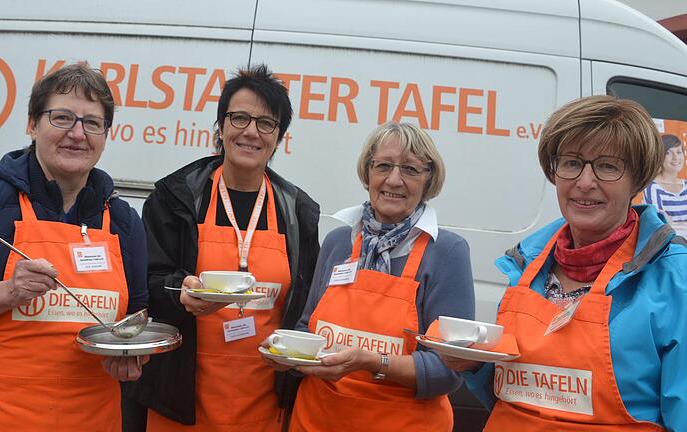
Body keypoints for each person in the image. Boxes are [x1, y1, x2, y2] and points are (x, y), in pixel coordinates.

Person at [0, 63, 148, 431]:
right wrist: (8, 292)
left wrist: (130, 357)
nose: (77, 134)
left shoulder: (123, 220)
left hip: (89, 420)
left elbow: (136, 315)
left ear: (106, 135)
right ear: (32, 124)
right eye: (61, 118)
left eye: (92, 123)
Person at [446, 95, 687, 431]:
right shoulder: (527, 265)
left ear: (638, 180)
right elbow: (518, 396)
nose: (584, 183)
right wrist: (475, 366)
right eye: (572, 163)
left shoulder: (674, 277)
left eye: (607, 166)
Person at [128, 64, 320, 432]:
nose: (251, 131)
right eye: (239, 118)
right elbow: (143, 284)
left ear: (279, 138)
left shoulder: (298, 212)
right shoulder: (176, 199)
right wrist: (178, 294)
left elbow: (305, 304)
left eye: (266, 123)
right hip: (180, 398)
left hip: (263, 401)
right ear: (220, 127)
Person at [285, 122, 475, 432]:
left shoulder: (447, 253)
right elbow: (307, 327)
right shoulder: (338, 243)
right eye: (383, 165)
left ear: (428, 180)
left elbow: (449, 369)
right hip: (317, 421)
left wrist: (373, 362)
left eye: (411, 169)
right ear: (367, 173)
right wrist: (290, 354)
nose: (394, 180)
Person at [642, 134, 687, 236]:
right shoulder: (651, 187)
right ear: (660, 156)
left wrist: (675, 224)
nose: (676, 158)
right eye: (668, 153)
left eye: (679, 152)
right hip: (671, 246)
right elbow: (660, 225)